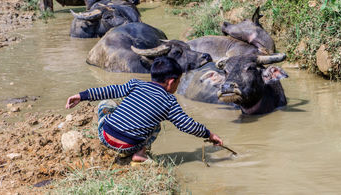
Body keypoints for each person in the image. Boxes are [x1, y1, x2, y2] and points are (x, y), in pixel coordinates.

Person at [65, 56, 223, 164]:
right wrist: (210, 134)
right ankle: (140, 154)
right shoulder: (169, 102)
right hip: (129, 145)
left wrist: (82, 95)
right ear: (171, 82)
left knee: (106, 103)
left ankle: (112, 130)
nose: (177, 85)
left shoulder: (136, 84)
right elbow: (187, 124)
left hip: (105, 136)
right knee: (156, 126)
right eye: (179, 82)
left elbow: (110, 90)